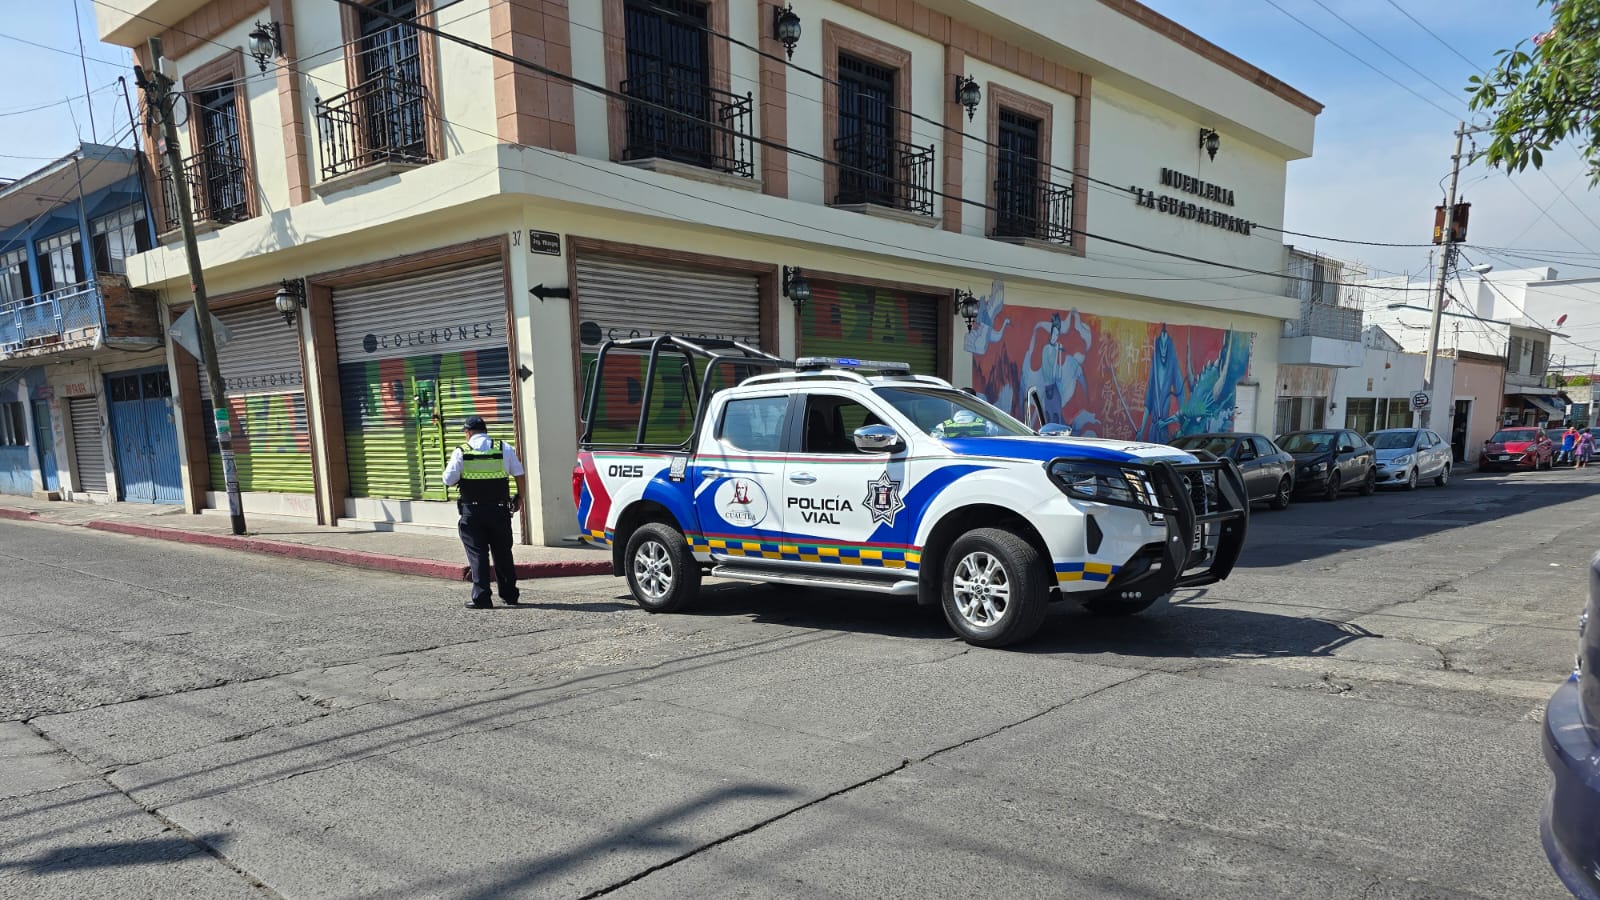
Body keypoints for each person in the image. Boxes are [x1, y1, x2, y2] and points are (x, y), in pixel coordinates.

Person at [443, 415, 527, 609]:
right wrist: (520, 498)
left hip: (472, 511)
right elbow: (519, 474)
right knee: (503, 552)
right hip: (499, 510)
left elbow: (448, 480)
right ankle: (510, 595)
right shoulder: (503, 448)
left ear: (468, 432)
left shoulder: (461, 452)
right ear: (485, 430)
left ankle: (482, 598)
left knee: (478, 554)